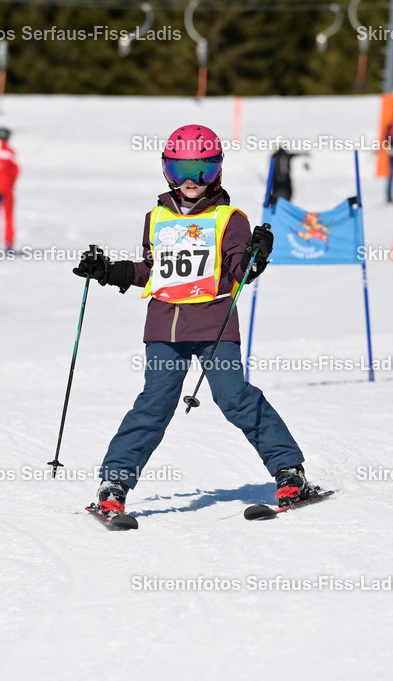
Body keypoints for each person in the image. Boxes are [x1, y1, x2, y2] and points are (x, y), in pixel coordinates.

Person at [73, 123, 312, 518]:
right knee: (154, 404)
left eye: (201, 169)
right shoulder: (156, 217)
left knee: (234, 397)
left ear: (216, 170)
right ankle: (114, 483)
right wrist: (108, 270)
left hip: (214, 325)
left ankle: (289, 472)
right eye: (180, 169)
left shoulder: (229, 218)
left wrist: (257, 255)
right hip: (165, 327)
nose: (190, 180)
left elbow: (240, 270)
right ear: (167, 170)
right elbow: (153, 270)